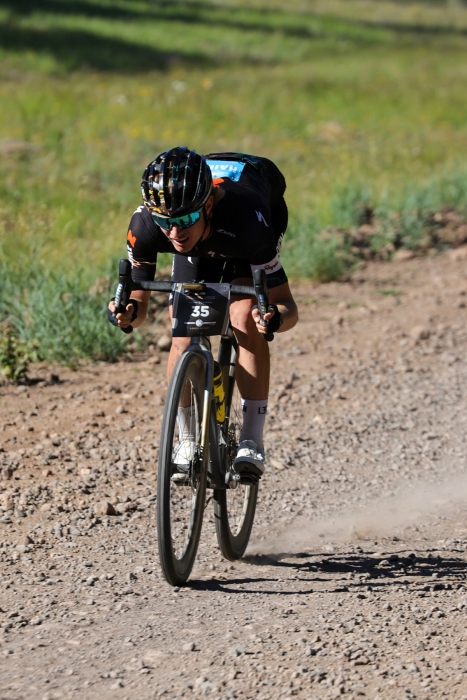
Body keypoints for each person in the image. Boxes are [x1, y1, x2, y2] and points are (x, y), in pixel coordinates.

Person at [108, 146, 298, 480]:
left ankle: (251, 439)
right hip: (208, 234)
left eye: (184, 221)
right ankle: (186, 439)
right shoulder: (148, 224)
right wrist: (127, 311)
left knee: (243, 315)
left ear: (208, 204)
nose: (175, 233)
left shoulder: (249, 219)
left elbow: (287, 306)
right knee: (182, 330)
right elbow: (138, 307)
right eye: (166, 223)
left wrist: (272, 317)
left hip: (244, 223)